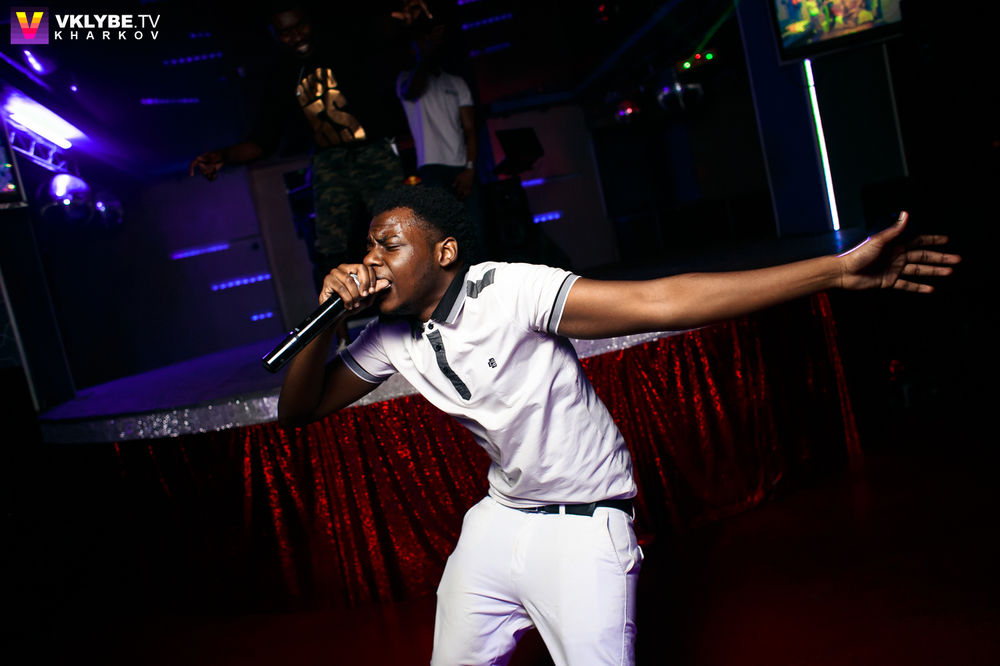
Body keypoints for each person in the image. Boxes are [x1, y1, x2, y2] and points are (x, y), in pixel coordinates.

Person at [277, 186, 959, 665]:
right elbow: (299, 411)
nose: (371, 260)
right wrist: (328, 320)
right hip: (498, 520)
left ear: (445, 251)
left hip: (583, 526)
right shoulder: (388, 337)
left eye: (389, 245)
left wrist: (835, 272)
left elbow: (663, 301)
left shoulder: (509, 291)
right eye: (368, 246)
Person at [189, 2, 429, 343]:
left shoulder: (341, 41)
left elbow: (377, 32)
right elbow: (262, 141)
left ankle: (421, 312)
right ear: (275, 35)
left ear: (310, 21)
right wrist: (223, 156)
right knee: (329, 245)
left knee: (400, 232)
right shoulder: (281, 74)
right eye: (285, 32)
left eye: (299, 26)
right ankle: (340, 334)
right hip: (330, 158)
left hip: (372, 149)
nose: (296, 36)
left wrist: (402, 20)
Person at [396, 11, 486, 255]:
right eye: (423, 41)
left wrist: (469, 169)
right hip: (432, 169)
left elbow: (470, 129)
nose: (430, 45)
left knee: (475, 234)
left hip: (462, 168)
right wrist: (425, 53)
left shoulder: (456, 82)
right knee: (443, 237)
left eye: (432, 40)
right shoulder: (406, 80)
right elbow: (411, 91)